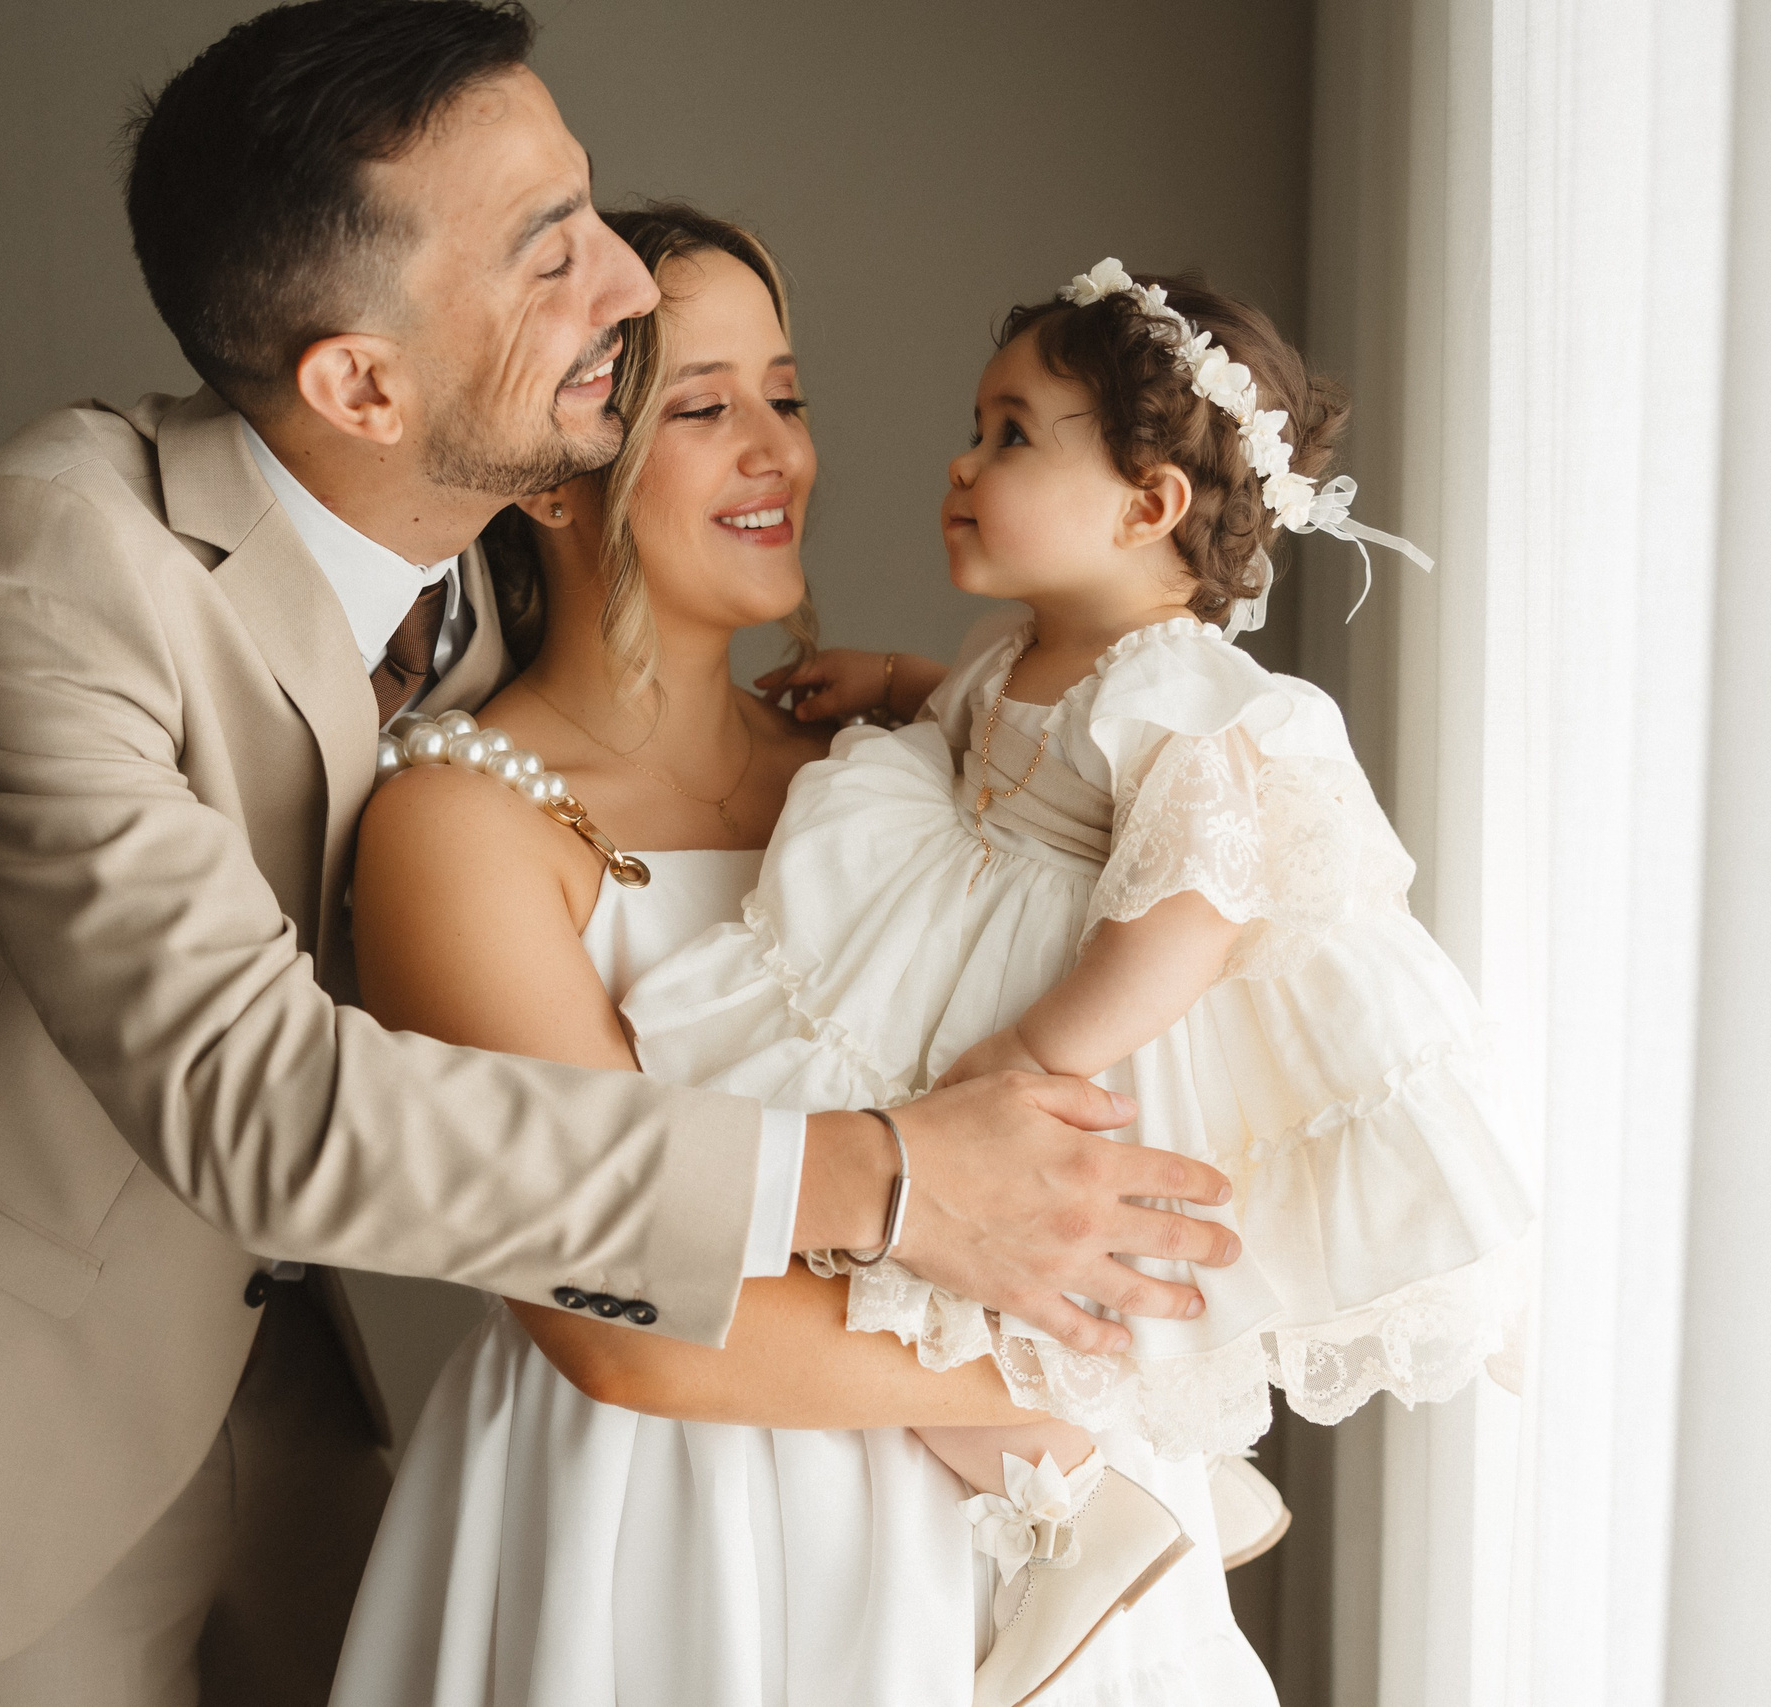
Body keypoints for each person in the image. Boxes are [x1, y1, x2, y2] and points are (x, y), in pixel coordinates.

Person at [0, 8, 1237, 1703]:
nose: (622, 284)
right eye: (548, 253)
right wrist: (891, 1180)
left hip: (290, 1373)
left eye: (594, 211)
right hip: (6, 1385)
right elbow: (260, 1100)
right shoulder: (44, 580)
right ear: (360, 381)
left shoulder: (486, 578)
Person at [332, 209, 1279, 1707]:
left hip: (975, 1520)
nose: (776, 450)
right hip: (659, 1524)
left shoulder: (902, 774)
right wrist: (1089, 1393)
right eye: (703, 409)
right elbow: (616, 1328)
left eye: (788, 395)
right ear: (559, 473)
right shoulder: (459, 826)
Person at [627, 261, 1538, 1702]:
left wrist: (1032, 1058)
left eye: (1012, 434)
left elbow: (1191, 904)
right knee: (900, 1268)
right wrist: (896, 682)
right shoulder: (1033, 655)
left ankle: (1094, 1510)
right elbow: (996, 722)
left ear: (1149, 504)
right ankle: (1119, 1477)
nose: (962, 460)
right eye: (978, 427)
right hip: (962, 956)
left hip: (1079, 1025)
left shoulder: (1181, 686)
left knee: (957, 1290)